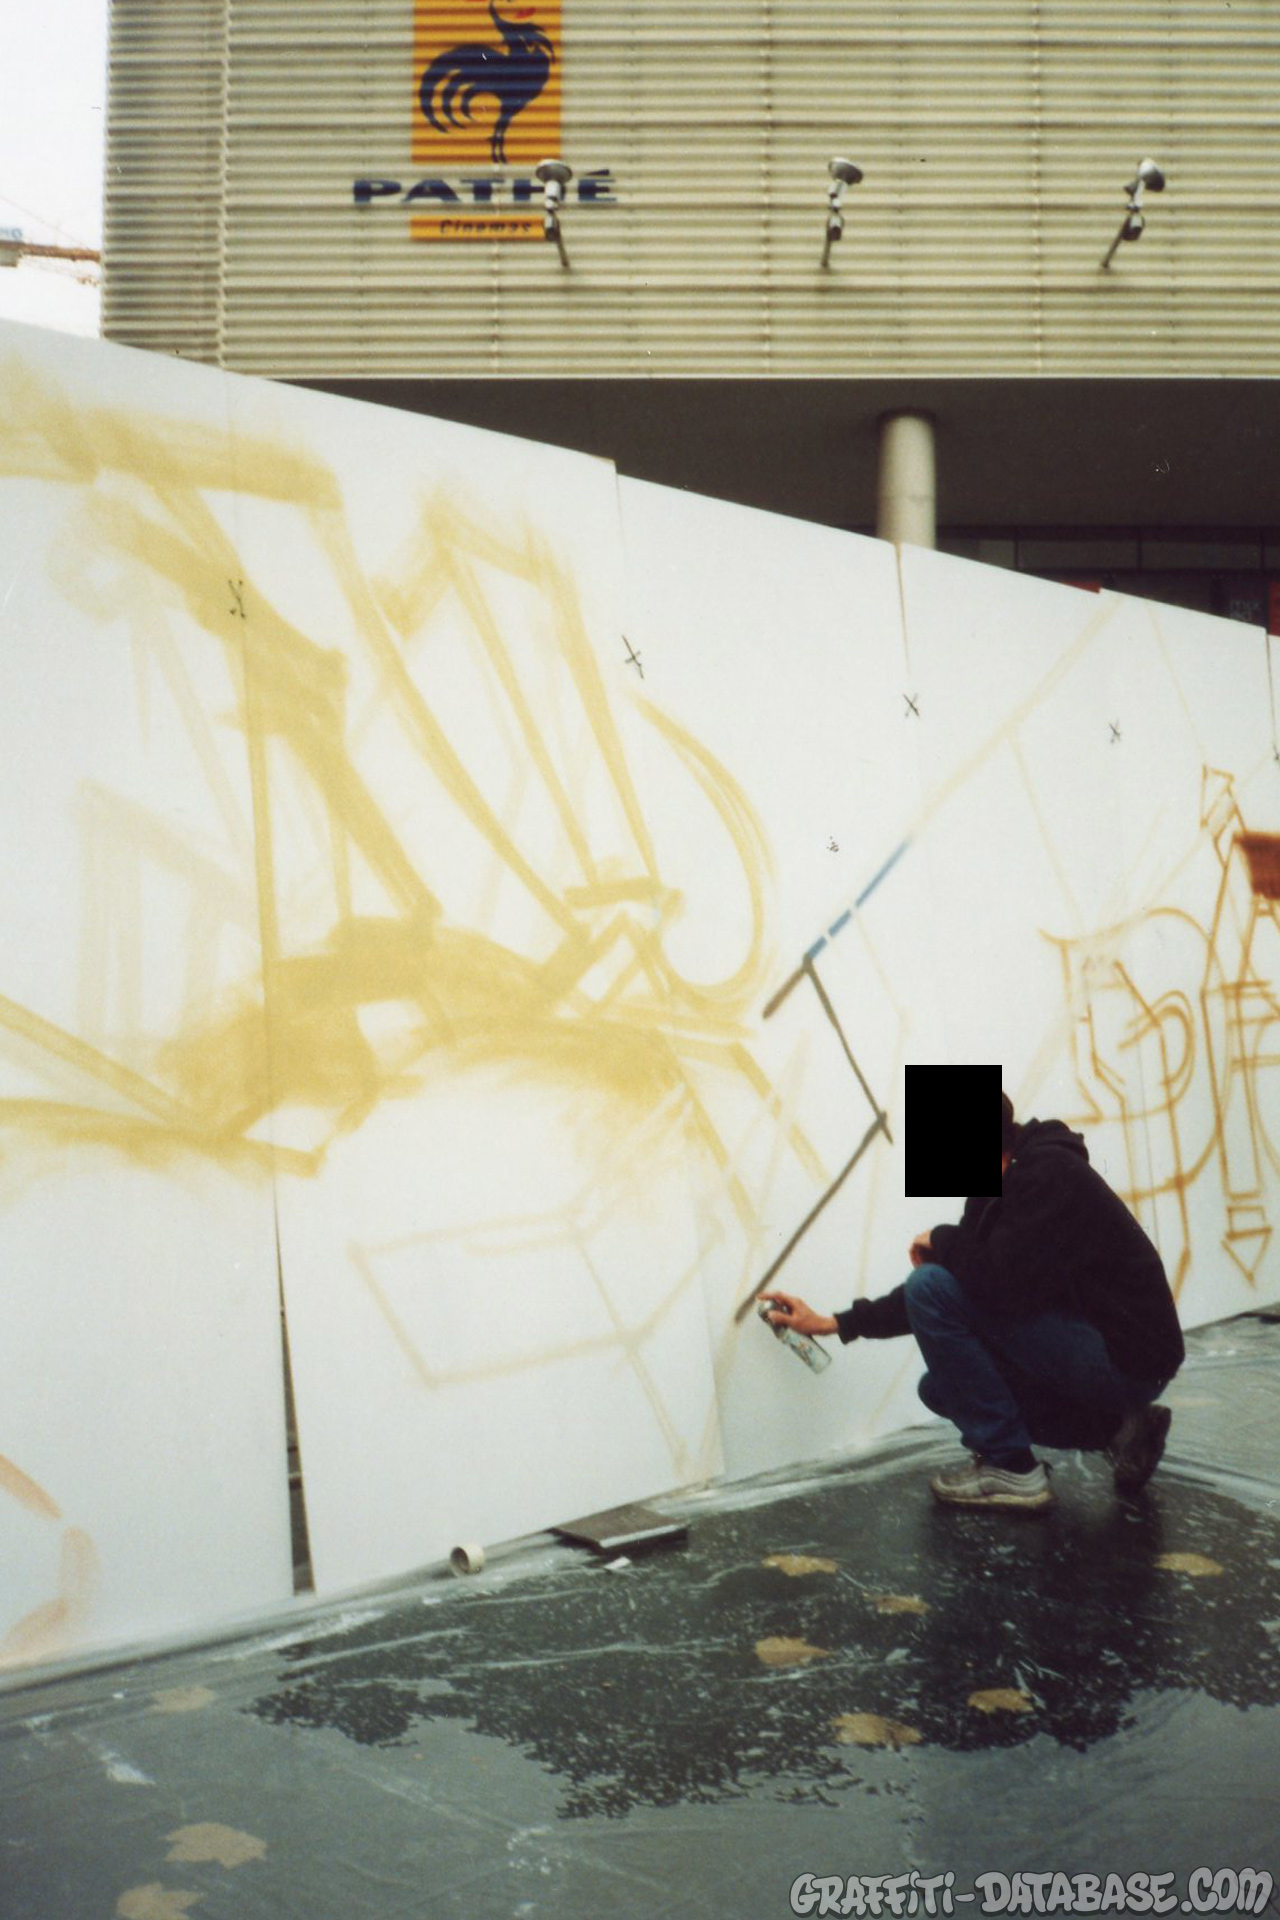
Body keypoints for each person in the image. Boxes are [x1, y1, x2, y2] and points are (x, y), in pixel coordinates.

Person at [760, 1091, 1183, 1511]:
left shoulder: (1049, 1173)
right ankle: (1123, 1430)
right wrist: (835, 1323)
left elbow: (990, 1285)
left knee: (929, 1286)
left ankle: (1012, 1469)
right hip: (1093, 1348)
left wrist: (942, 1240)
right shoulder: (995, 1187)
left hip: (1130, 1357)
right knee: (943, 1390)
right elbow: (963, 1284)